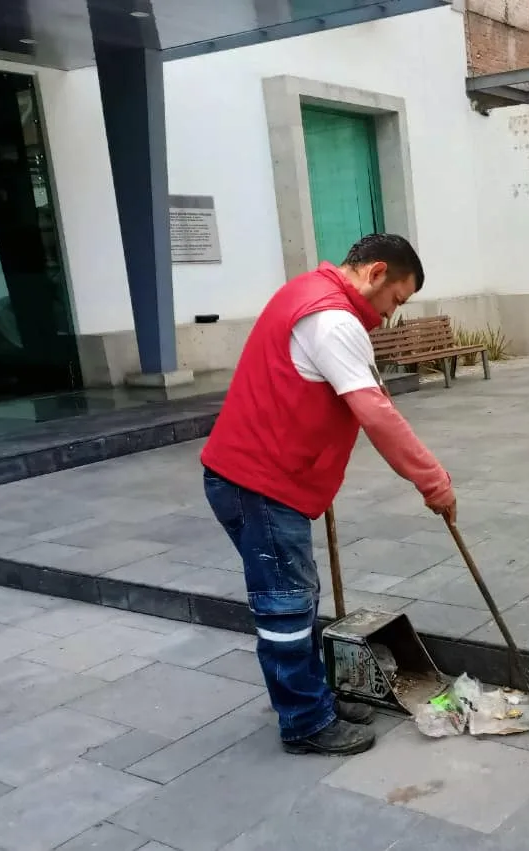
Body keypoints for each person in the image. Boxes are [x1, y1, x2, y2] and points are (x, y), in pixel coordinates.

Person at [200, 233, 456, 756]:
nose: (388, 317)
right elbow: (377, 414)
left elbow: (300, 387)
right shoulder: (334, 321)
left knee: (297, 593)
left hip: (263, 476)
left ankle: (314, 697)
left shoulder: (307, 292)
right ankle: (305, 723)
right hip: (262, 484)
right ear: (376, 272)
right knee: (286, 608)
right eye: (395, 301)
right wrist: (434, 482)